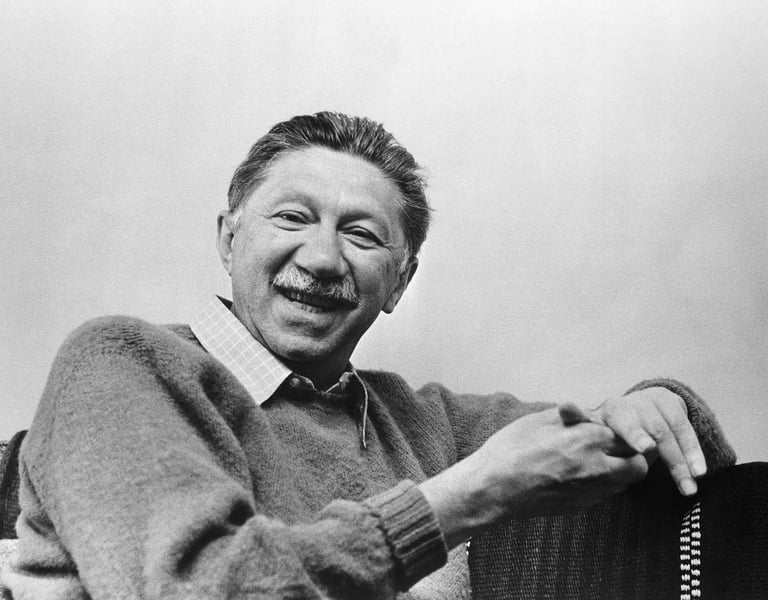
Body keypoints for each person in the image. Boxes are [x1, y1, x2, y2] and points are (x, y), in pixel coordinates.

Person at [2, 112, 734, 600]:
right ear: (228, 238)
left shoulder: (427, 424)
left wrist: (657, 406)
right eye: (292, 217)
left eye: (361, 235)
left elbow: (628, 442)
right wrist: (469, 495)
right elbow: (193, 590)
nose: (322, 258)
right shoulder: (121, 364)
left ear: (398, 283)